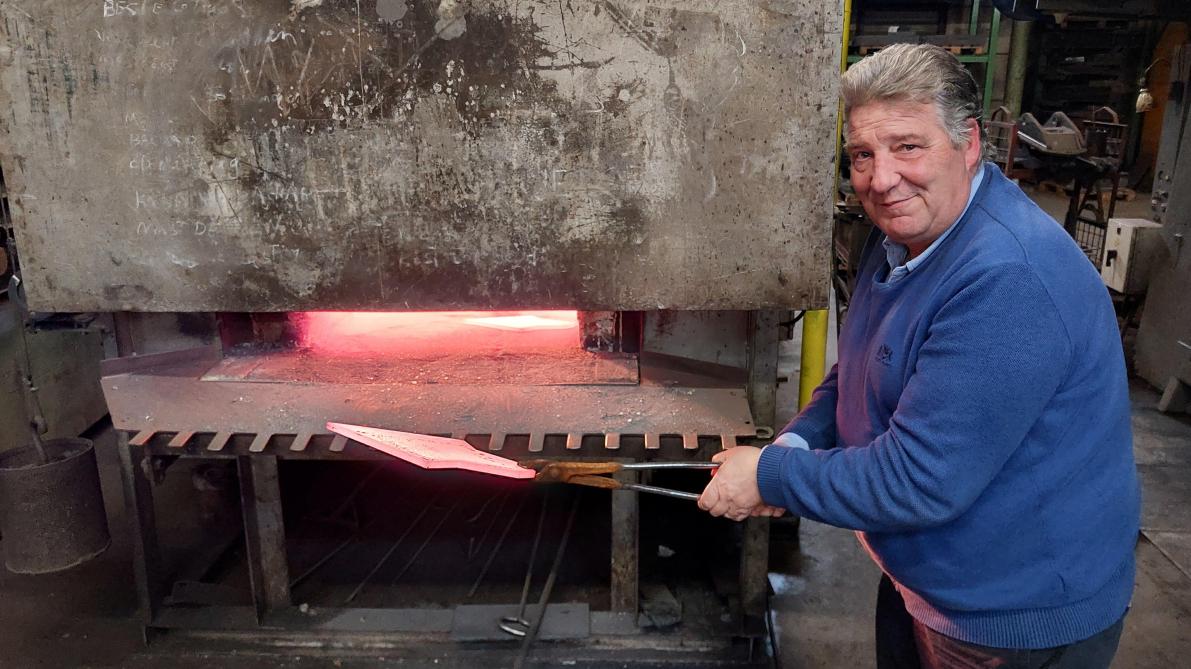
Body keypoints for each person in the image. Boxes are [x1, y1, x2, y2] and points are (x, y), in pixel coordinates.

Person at [698, 43, 1140, 668]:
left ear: (969, 144)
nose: (880, 179)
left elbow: (920, 480)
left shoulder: (1006, 280)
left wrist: (771, 478)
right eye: (862, 155)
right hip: (933, 577)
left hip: (1007, 613)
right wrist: (792, 447)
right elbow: (858, 371)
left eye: (908, 146)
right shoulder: (906, 234)